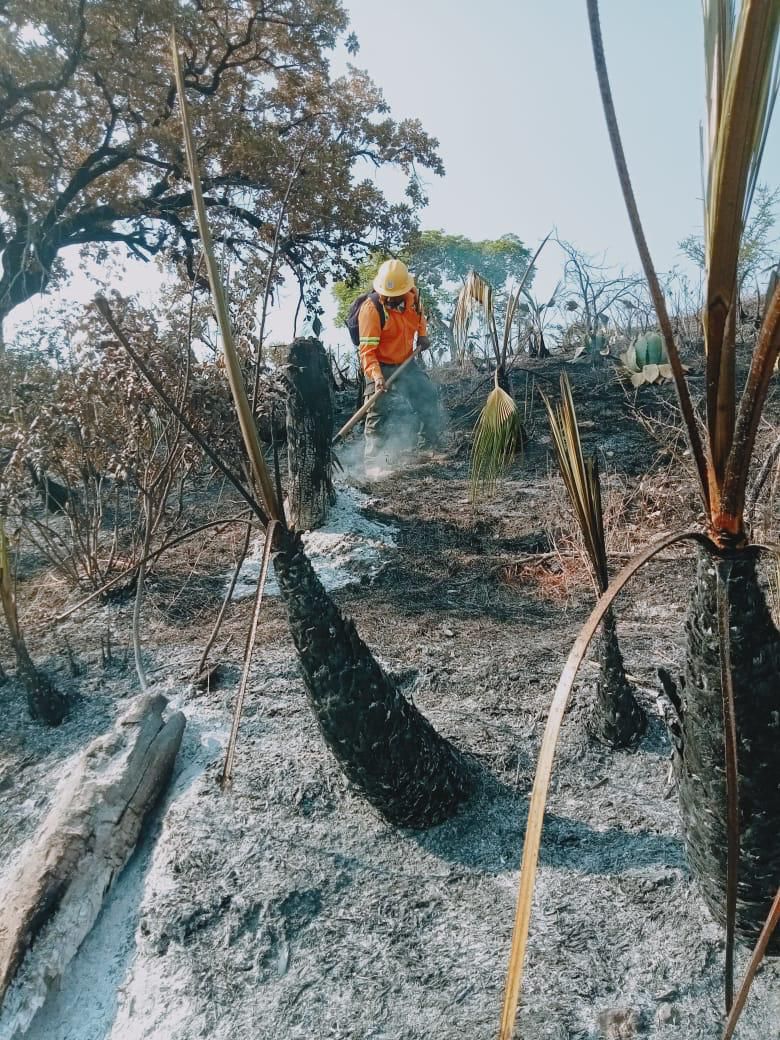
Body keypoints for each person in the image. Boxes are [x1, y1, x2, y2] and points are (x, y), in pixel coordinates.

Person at [357, 258, 444, 470]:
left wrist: (422, 336)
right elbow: (367, 352)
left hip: (406, 361)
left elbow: (420, 317)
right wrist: (377, 377)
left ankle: (431, 446)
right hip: (380, 363)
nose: (390, 298)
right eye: (386, 295)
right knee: (376, 409)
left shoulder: (413, 296)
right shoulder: (371, 310)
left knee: (427, 395)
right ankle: (372, 462)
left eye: (395, 295)